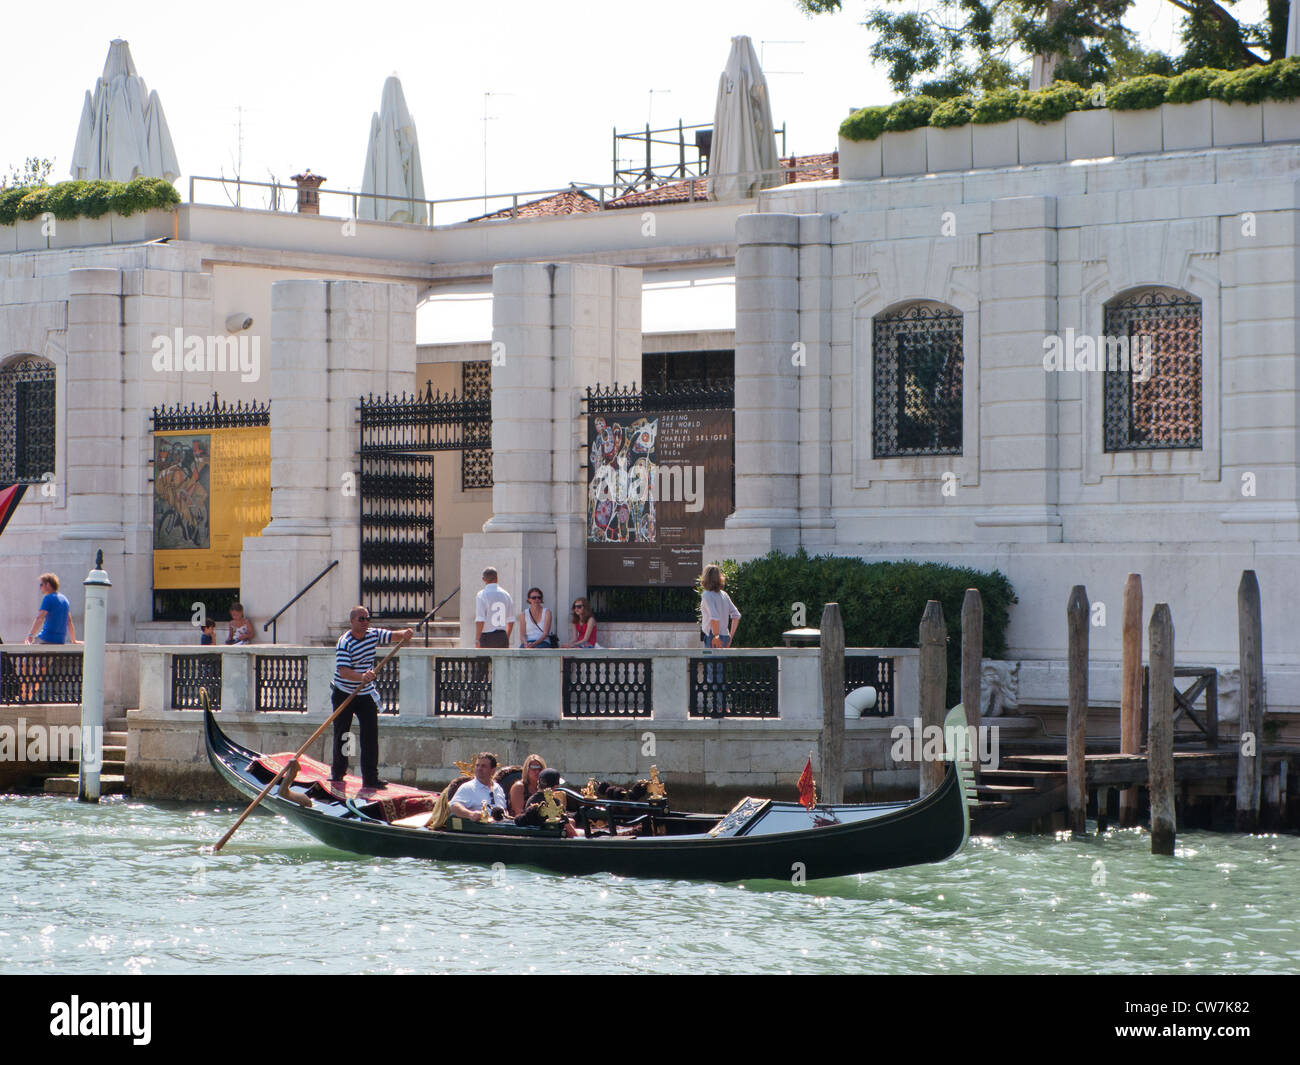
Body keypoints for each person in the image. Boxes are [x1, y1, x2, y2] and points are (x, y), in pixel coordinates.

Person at [330, 606, 413, 790]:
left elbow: (392, 636)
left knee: (370, 735)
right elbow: (343, 671)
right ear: (352, 621)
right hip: (344, 692)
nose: (365, 622)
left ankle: (370, 778)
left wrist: (405, 633)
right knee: (345, 734)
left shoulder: (372, 634)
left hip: (365, 693)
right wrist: (361, 677)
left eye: (367, 618)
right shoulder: (345, 642)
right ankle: (338, 773)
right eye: (361, 619)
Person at [450, 752, 508, 821]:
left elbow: (504, 809)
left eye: (483, 766)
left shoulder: (498, 788)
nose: (479, 768)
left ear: (493, 770)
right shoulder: (468, 787)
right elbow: (454, 806)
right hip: (480, 829)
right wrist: (470, 814)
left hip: (501, 828)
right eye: (477, 765)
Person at [24, 573, 79, 645]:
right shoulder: (65, 599)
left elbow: (40, 618)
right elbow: (69, 621)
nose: (40, 587)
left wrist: (30, 635)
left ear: (48, 584)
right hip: (60, 641)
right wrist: (74, 640)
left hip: (46, 638)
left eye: (41, 584)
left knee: (28, 649)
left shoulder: (48, 598)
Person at [474, 567, 514, 648]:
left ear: (483, 579)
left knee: (485, 660)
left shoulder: (482, 594)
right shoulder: (506, 594)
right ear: (497, 578)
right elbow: (511, 620)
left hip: (487, 636)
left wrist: (477, 639)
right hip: (502, 635)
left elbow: (480, 619)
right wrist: (506, 637)